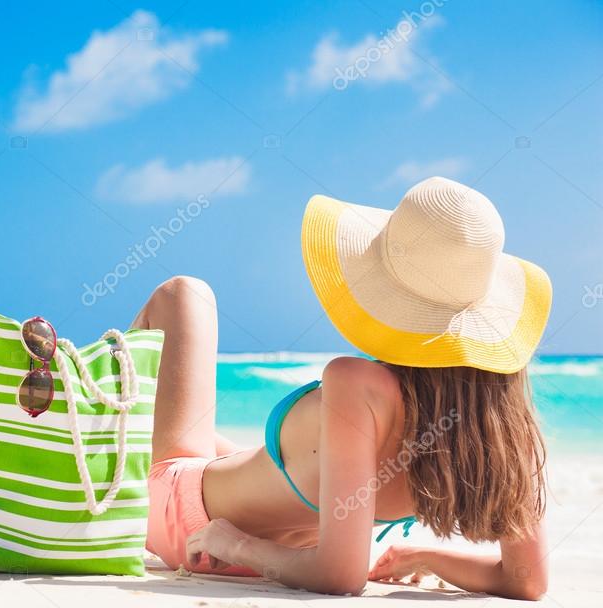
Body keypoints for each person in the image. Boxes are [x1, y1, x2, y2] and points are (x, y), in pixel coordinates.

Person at [133, 177, 551, 600]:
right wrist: (428, 557)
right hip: (286, 549)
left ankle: (88, 399)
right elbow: (527, 580)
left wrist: (234, 545)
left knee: (183, 293)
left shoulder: (358, 385)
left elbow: (340, 576)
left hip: (185, 516)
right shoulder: (504, 419)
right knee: (224, 447)